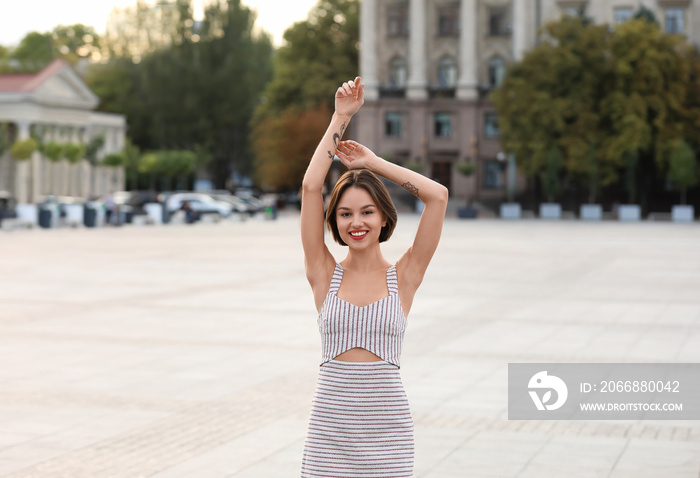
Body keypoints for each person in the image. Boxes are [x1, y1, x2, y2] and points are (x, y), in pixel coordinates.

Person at [300, 77, 448, 477]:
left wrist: (372, 163)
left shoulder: (406, 275)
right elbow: (312, 187)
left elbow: (437, 195)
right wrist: (340, 117)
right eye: (345, 213)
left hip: (388, 435)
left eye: (367, 211)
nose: (356, 222)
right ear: (335, 220)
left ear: (383, 217)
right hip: (329, 433)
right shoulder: (323, 273)